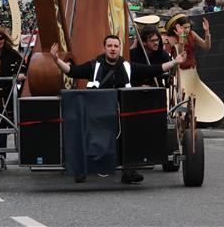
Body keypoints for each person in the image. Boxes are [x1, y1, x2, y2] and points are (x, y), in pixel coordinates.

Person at [50, 36, 185, 184]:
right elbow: (72, 71)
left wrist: (175, 62)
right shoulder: (94, 65)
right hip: (95, 113)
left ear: (120, 49)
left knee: (132, 129)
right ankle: (82, 169)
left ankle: (129, 171)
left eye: (116, 46)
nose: (113, 49)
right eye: (110, 46)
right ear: (104, 48)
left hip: (122, 113)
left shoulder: (127, 66)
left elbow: (151, 70)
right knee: (83, 129)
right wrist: (56, 60)